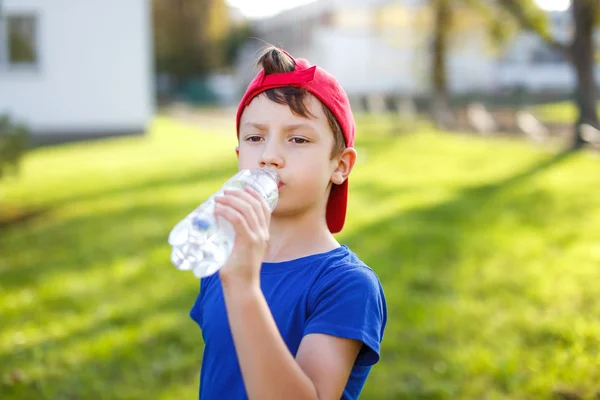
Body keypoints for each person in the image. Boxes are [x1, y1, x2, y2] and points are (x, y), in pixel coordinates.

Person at [189, 45, 387, 400]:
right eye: (254, 138)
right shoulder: (223, 260)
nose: (269, 156)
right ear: (239, 156)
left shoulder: (346, 285)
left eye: (297, 139)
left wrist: (244, 287)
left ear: (340, 165)